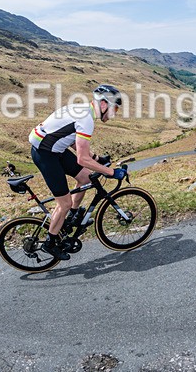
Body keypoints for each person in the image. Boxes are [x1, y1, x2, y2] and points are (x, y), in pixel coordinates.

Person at [28, 84, 126, 260]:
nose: (115, 113)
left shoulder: (82, 110)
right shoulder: (86, 119)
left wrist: (97, 159)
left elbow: (73, 140)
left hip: (54, 148)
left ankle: (72, 216)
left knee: (86, 178)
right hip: (45, 153)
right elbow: (81, 159)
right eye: (115, 108)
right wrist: (110, 172)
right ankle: (50, 243)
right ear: (103, 104)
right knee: (63, 202)